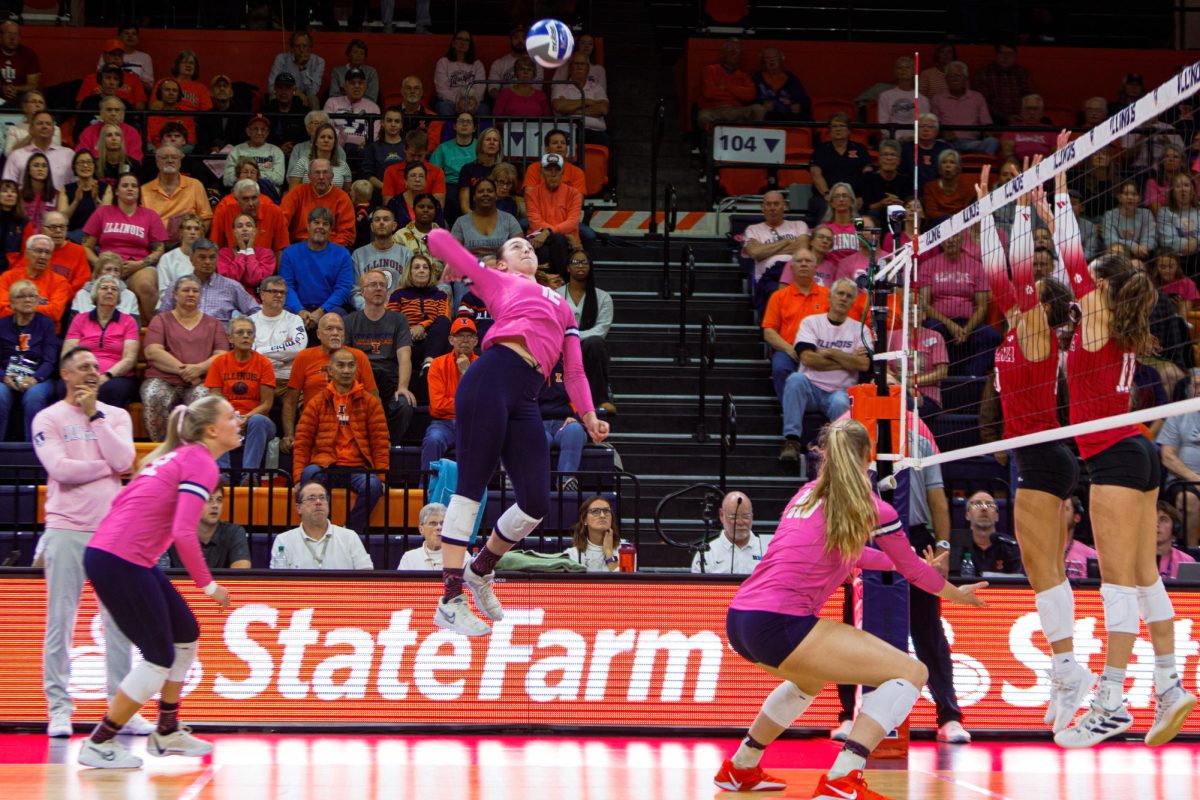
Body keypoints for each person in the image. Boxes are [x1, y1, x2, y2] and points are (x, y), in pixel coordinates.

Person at [714, 418, 986, 795]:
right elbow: (913, 573)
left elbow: (853, 555)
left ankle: (740, 767)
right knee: (912, 673)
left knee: (808, 681)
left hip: (740, 618)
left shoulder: (806, 494)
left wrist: (904, 562)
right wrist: (958, 593)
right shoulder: (872, 508)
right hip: (780, 621)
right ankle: (843, 776)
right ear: (867, 459)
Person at [1055, 183, 1197, 748]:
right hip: (1136, 452)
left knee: (1117, 585)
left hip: (1115, 457)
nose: (1081, 285)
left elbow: (1072, 266)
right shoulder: (1121, 327)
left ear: (1102, 289)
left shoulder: (1098, 321)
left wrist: (1060, 202)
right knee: (1142, 577)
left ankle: (1111, 700)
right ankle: (1169, 685)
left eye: (1091, 280)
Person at [425, 230, 609, 635]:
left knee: (535, 502)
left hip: (526, 394)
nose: (525, 246)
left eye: (528, 244)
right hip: (491, 377)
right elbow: (445, 246)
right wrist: (439, 239)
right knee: (471, 486)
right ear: (503, 264)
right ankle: (450, 598)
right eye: (514, 246)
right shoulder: (498, 280)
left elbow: (575, 371)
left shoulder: (562, 306)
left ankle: (481, 568)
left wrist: (589, 414)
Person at [77, 395, 239, 769]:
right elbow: (185, 531)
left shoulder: (177, 457)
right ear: (212, 430)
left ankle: (166, 731)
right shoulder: (200, 462)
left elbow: (123, 505)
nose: (239, 420)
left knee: (186, 634)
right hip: (120, 560)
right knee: (159, 657)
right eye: (232, 416)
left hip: (118, 555)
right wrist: (209, 586)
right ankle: (99, 741)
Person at [32, 346, 149, 738]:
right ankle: (59, 709)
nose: (92, 373)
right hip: (66, 528)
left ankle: (123, 710)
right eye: (83, 368)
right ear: (65, 374)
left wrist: (97, 418)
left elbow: (126, 460)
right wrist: (108, 468)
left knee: (118, 623)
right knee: (60, 622)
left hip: (112, 532)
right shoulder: (48, 417)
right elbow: (60, 469)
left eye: (96, 368)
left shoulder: (113, 416)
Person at [292, 347, 389, 535]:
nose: (346, 370)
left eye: (351, 365)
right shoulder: (317, 401)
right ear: (330, 370)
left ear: (357, 370)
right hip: (326, 465)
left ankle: (349, 532)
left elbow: (380, 442)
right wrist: (297, 476)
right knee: (308, 476)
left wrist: (382, 476)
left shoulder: (370, 402)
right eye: (341, 365)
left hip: (357, 467)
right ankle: (322, 530)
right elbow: (303, 441)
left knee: (374, 486)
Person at [778, 278, 872, 463]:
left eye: (849, 296)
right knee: (795, 380)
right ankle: (792, 441)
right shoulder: (811, 323)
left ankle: (839, 455)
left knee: (841, 402)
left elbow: (864, 365)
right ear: (830, 296)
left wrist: (830, 352)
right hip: (810, 387)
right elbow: (808, 359)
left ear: (853, 301)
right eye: (840, 293)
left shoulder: (860, 330)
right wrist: (848, 359)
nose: (843, 298)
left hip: (840, 391)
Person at [139, 275, 226, 442]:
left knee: (202, 401)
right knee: (154, 395)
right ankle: (162, 449)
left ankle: (192, 451)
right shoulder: (161, 320)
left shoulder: (213, 323)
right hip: (164, 379)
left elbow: (221, 355)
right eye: (186, 290)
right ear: (175, 295)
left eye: (195, 291)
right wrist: (185, 371)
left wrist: (199, 369)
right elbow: (153, 351)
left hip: (200, 381)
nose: (191, 294)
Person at [281, 313, 379, 453]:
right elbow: (290, 401)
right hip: (314, 424)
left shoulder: (359, 357)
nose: (335, 333)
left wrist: (379, 435)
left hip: (350, 423)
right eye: (329, 329)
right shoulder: (304, 357)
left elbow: (374, 398)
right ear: (318, 334)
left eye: (339, 329)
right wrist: (288, 435)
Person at [80, 172, 166, 321]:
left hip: (137, 267)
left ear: (139, 191)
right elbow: (86, 246)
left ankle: (155, 330)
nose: (130, 189)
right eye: (125, 185)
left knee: (146, 284)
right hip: (106, 267)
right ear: (117, 191)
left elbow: (159, 249)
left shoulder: (150, 215)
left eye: (134, 186)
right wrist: (100, 264)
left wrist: (140, 264)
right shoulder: (102, 212)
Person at [345, 267, 416, 441]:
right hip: (361, 382)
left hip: (390, 382)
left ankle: (388, 442)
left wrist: (403, 387)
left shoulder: (399, 320)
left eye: (382, 285)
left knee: (404, 404)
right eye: (373, 285)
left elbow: (404, 356)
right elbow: (345, 358)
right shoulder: (349, 321)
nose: (378, 288)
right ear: (362, 292)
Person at [921, 231, 1000, 377]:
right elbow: (924, 304)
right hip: (939, 322)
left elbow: (982, 306)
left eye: (955, 236)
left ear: (963, 238)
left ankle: (971, 377)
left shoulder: (976, 266)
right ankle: (939, 374)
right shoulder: (928, 265)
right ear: (940, 241)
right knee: (934, 330)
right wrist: (950, 324)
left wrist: (967, 330)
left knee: (993, 337)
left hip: (968, 323)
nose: (951, 240)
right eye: (947, 237)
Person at [204, 317, 275, 477]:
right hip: (229, 418)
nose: (246, 336)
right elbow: (216, 401)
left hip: (258, 423)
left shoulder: (264, 364)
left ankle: (249, 476)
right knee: (217, 418)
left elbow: (266, 404)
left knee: (257, 420)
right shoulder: (219, 363)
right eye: (240, 332)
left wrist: (246, 417)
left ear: (254, 338)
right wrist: (232, 418)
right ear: (230, 338)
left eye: (250, 333)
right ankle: (223, 475)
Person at [763, 248, 830, 402]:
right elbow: (769, 331)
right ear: (791, 268)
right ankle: (789, 409)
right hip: (789, 350)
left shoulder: (828, 295)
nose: (804, 264)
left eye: (808, 261)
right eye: (799, 261)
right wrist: (789, 349)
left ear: (815, 268)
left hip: (820, 350)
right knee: (780, 367)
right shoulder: (778, 296)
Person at [61, 275, 139, 407]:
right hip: (81, 373)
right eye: (104, 288)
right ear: (95, 295)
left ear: (119, 298)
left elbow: (129, 358)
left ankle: (103, 426)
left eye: (114, 289)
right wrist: (82, 375)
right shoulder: (80, 319)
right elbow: (68, 354)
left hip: (115, 377)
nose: (109, 291)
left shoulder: (128, 321)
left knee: (111, 390)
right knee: (63, 387)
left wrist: (107, 376)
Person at [558, 250, 617, 414]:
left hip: (588, 347)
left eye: (584, 262)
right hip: (561, 346)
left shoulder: (603, 297)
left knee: (595, 343)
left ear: (590, 267)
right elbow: (553, 326)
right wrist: (568, 340)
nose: (580, 265)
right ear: (568, 268)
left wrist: (574, 337)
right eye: (575, 262)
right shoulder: (556, 295)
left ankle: (601, 399)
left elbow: (601, 329)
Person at [0, 277, 58, 440]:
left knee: (34, 396)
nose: (27, 300)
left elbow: (50, 361)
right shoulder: (2, 325)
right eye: (22, 296)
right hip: (6, 378)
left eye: (32, 296)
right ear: (12, 303)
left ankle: (33, 452)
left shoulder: (46, 324)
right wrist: (3, 377)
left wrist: (35, 378)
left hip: (39, 378)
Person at [270, 479, 373, 570]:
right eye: (311, 498)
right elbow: (279, 582)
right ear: (299, 508)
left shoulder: (350, 537)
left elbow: (366, 576)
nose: (318, 502)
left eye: (322, 497)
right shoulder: (284, 541)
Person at [280, 207, 354, 330]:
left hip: (329, 309)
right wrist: (300, 311)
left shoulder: (343, 254)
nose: (320, 227)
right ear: (308, 226)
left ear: (330, 230)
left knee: (339, 317)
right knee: (281, 315)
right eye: (316, 222)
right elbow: (287, 286)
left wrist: (322, 311)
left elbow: (343, 289)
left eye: (325, 224)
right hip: (297, 308)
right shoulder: (290, 253)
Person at [421, 316, 479, 473]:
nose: (465, 340)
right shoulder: (437, 364)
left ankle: (473, 493)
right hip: (443, 423)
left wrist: (466, 373)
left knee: (480, 442)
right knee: (433, 440)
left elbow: (484, 407)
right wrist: (467, 405)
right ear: (451, 339)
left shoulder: (484, 365)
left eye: (469, 336)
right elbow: (438, 406)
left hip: (472, 423)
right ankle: (427, 491)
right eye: (460, 336)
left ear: (476, 341)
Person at [159, 238, 260, 323]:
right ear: (191, 259)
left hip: (221, 342)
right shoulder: (177, 286)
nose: (208, 262)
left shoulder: (231, 286)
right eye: (202, 257)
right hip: (184, 340)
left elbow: (256, 312)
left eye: (212, 257)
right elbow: (163, 318)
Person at [742, 190, 810, 307]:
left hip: (798, 274)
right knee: (779, 295)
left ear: (785, 206)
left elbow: (802, 248)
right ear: (762, 207)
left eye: (776, 204)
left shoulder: (799, 225)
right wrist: (786, 242)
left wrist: (766, 250)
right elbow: (755, 253)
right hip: (769, 278)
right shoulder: (753, 229)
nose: (772, 208)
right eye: (768, 204)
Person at [386, 254, 451, 373]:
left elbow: (444, 317)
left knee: (443, 321)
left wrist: (422, 326)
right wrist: (410, 331)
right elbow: (391, 321)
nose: (421, 270)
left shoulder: (441, 295)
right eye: (416, 267)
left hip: (433, 341)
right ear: (409, 272)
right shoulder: (398, 294)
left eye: (425, 267)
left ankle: (428, 364)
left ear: (430, 272)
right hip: (406, 342)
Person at [167, 479, 251, 569]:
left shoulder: (234, 533)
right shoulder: (172, 535)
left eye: (219, 500)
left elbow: (241, 573)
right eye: (208, 499)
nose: (215, 505)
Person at [525, 156, 583, 275]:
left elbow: (573, 222)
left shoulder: (574, 194)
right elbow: (535, 222)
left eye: (557, 170)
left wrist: (548, 232)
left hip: (564, 242)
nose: (553, 174)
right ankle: (561, 282)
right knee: (550, 246)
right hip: (540, 240)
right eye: (548, 169)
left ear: (563, 173)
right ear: (541, 172)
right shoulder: (532, 194)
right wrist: (561, 234)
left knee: (556, 243)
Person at [141, 145, 211, 243]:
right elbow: (142, 224)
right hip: (156, 244)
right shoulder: (144, 190)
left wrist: (196, 243)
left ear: (180, 162)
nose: (170, 160)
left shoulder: (195, 185)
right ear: (157, 162)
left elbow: (205, 218)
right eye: (164, 157)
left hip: (188, 244)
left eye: (174, 157)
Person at [250, 274, 307, 389]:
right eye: (273, 291)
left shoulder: (294, 320)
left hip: (286, 379)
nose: (279, 295)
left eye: (282, 292)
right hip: (258, 378)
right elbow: (249, 354)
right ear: (262, 294)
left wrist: (261, 350)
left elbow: (298, 347)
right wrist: (284, 351)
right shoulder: (250, 321)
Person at [280, 160, 356, 247]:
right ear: (309, 176)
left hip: (331, 248)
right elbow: (281, 222)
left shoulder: (342, 198)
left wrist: (327, 251)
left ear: (332, 176)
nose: (321, 177)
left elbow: (347, 234)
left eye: (325, 172)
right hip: (299, 247)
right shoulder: (297, 193)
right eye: (317, 173)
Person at [691, 491, 770, 574]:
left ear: (752, 515)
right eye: (734, 516)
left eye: (746, 516)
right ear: (721, 515)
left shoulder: (768, 549)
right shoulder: (708, 554)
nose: (740, 522)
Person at [0, 234, 71, 326]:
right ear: (27, 253)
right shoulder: (8, 277)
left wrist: (18, 307)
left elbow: (55, 313)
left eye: (47, 252)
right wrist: (41, 308)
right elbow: (2, 308)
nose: (43, 256)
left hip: (44, 333)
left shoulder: (60, 282)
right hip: (10, 329)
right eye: (39, 251)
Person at [808, 112, 871, 217]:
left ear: (849, 130)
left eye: (842, 126)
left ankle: (858, 233)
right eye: (834, 126)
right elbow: (816, 175)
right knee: (824, 207)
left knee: (866, 208)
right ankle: (825, 233)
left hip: (854, 196)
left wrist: (861, 196)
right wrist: (827, 195)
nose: (838, 129)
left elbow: (867, 175)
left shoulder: (860, 149)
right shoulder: (821, 150)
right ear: (830, 130)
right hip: (825, 197)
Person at [931, 61, 998, 155]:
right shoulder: (937, 98)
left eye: (958, 76)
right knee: (936, 144)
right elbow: (933, 124)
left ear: (966, 79)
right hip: (947, 143)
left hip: (972, 143)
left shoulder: (977, 97)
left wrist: (987, 133)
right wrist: (942, 131)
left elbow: (986, 123)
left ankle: (980, 166)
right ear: (946, 79)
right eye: (951, 76)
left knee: (992, 142)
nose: (955, 79)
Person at [210, 178, 289, 257]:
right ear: (237, 200)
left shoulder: (275, 212)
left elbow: (281, 249)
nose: (251, 203)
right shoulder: (224, 212)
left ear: (259, 197)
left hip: (264, 266)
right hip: (232, 265)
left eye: (254, 198)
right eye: (245, 199)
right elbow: (214, 247)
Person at [696, 38, 763, 127]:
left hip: (737, 110)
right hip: (715, 110)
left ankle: (751, 137)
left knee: (758, 109)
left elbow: (750, 96)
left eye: (737, 49)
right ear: (723, 52)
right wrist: (738, 92)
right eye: (729, 48)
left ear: (740, 54)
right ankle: (712, 139)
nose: (733, 52)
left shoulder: (745, 76)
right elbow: (709, 93)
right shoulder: (711, 69)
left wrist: (726, 88)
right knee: (703, 116)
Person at [452, 177, 524, 259]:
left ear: (496, 196)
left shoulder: (509, 220)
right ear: (474, 197)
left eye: (490, 191)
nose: (485, 194)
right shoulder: (461, 222)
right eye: (480, 191)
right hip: (470, 269)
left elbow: (520, 250)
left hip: (502, 268)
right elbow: (453, 254)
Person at [3, 110, 72, 189]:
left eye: (48, 124)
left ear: (54, 130)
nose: (44, 126)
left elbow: (74, 186)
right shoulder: (16, 155)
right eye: (40, 123)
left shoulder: (68, 154)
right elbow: (7, 189)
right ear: (31, 129)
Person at [552, 53, 611, 146]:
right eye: (576, 63)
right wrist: (587, 101)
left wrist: (570, 110)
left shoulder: (597, 88)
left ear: (588, 68)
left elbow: (603, 109)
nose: (579, 66)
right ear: (570, 67)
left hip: (596, 132)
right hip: (569, 131)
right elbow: (559, 106)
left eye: (582, 64)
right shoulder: (560, 86)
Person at [962, 492, 1024, 574]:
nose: (984, 508)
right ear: (967, 515)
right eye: (977, 504)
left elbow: (1017, 583)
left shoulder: (1010, 546)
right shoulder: (957, 544)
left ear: (997, 516)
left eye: (989, 505)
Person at [323, 68, 379, 156]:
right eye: (352, 83)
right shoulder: (332, 102)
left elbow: (376, 133)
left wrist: (367, 143)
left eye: (360, 83)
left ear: (365, 86)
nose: (357, 86)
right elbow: (327, 128)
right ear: (345, 86)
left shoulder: (373, 107)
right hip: (336, 150)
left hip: (362, 151)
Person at [217, 213, 276, 297]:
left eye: (248, 225)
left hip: (257, 303)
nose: (244, 229)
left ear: (255, 231)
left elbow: (254, 279)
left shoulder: (266, 254)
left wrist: (249, 251)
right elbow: (230, 280)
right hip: (231, 301)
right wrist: (242, 252)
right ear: (234, 232)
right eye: (240, 226)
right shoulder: (224, 253)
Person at [974, 43, 1033, 125]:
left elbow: (1028, 98)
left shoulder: (1022, 73)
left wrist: (1021, 116)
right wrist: (1006, 117)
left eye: (1010, 54)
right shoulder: (984, 73)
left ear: (1015, 55)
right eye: (1002, 53)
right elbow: (982, 102)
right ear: (996, 54)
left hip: (1020, 118)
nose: (1006, 57)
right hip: (993, 119)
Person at [561, 495, 624, 572]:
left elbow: (626, 582)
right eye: (595, 511)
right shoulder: (572, 555)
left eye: (606, 511)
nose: (602, 515)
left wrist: (609, 552)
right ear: (584, 520)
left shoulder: (625, 551)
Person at [71, 253, 139, 323]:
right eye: (108, 269)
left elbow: (134, 328)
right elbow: (73, 326)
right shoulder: (81, 295)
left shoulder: (130, 296)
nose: (112, 274)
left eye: (116, 270)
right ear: (98, 273)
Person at [223, 114, 286, 190]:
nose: (259, 132)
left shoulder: (276, 151)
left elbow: (279, 180)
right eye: (255, 129)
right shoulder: (236, 150)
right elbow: (227, 181)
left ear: (267, 132)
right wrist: (256, 174)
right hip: (240, 195)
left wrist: (247, 173)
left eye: (263, 129)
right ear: (248, 131)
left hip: (267, 195)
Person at [75, 96, 145, 164]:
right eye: (109, 110)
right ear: (101, 113)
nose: (113, 113)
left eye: (117, 110)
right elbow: (81, 156)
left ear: (122, 114)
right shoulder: (89, 131)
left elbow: (135, 159)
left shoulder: (132, 132)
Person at [433, 30, 486, 116]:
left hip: (472, 102)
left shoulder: (477, 64)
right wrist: (459, 101)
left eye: (466, 40)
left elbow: (480, 89)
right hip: (450, 102)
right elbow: (441, 89)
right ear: (453, 43)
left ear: (470, 45)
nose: (462, 42)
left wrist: (468, 102)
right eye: (460, 39)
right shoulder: (443, 62)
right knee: (445, 107)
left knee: (484, 109)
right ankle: (449, 129)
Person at [876, 56, 929, 141]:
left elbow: (924, 124)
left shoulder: (923, 100)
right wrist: (898, 138)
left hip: (915, 141)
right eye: (900, 68)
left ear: (913, 72)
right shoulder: (885, 96)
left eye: (907, 67)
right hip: (892, 141)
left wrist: (913, 138)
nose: (903, 70)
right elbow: (883, 123)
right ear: (895, 72)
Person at [1103, 180, 1157, 262]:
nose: (1130, 197)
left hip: (1142, 255)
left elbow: (1150, 237)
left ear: (1139, 198)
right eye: (1126, 194)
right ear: (1119, 197)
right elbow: (1109, 240)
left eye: (1134, 194)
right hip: (1118, 256)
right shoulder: (1110, 215)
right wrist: (1133, 247)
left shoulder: (1146, 214)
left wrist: (1144, 247)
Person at [486, 23, 543, 101]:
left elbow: (537, 90)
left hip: (529, 103)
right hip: (506, 103)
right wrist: (507, 100)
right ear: (511, 39)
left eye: (523, 38)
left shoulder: (537, 64)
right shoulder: (499, 63)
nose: (520, 41)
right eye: (516, 37)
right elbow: (493, 90)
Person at [267, 31, 324, 109]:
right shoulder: (281, 58)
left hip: (306, 96)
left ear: (310, 47)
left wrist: (302, 68)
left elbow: (312, 91)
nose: (301, 49)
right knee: (273, 97)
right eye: (297, 46)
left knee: (313, 99)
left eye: (305, 46)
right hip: (285, 92)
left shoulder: (319, 61)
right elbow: (271, 87)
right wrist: (296, 93)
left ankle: (315, 122)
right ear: (292, 48)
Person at [288, 122, 352, 190]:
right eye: (322, 137)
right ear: (315, 142)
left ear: (334, 143)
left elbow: (346, 194)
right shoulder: (302, 163)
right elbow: (293, 192)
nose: (326, 140)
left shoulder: (343, 165)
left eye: (330, 138)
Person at [751, 47, 810, 121]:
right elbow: (750, 99)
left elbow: (804, 99)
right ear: (763, 62)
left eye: (775, 57)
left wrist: (798, 105)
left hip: (789, 116)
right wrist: (762, 104)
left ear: (781, 59)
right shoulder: (757, 78)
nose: (771, 60)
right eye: (767, 58)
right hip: (767, 116)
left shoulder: (791, 78)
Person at [456, 127, 505, 216]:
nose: (492, 142)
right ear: (480, 144)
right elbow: (464, 206)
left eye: (495, 140)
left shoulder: (503, 170)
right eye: (488, 139)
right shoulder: (467, 169)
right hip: (473, 216)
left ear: (499, 147)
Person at [924, 149, 975, 221]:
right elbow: (931, 213)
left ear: (958, 168)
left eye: (952, 162)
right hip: (938, 225)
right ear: (939, 168)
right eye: (944, 162)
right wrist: (950, 219)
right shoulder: (930, 187)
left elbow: (968, 212)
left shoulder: (967, 187)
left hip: (961, 223)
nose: (948, 166)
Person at [397, 502, 447, 570]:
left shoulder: (461, 556)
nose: (439, 527)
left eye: (442, 523)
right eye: (433, 523)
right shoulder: (409, 558)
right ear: (421, 529)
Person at [0, 19, 40, 103]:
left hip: (21, 98)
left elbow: (33, 85)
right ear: (1, 36)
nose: (12, 38)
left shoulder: (28, 54)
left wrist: (16, 89)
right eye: (8, 33)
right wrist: (2, 88)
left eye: (16, 34)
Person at [329, 39, 379, 103]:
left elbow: (372, 97)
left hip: (364, 107)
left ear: (365, 57)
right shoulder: (337, 72)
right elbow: (333, 95)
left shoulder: (371, 72)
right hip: (341, 107)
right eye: (355, 52)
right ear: (348, 54)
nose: (358, 56)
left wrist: (348, 95)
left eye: (362, 53)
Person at [1156, 502, 1195, 580]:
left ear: (1175, 527)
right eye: (1151, 519)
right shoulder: (1132, 560)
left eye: (1163, 519)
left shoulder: (1187, 561)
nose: (1156, 524)